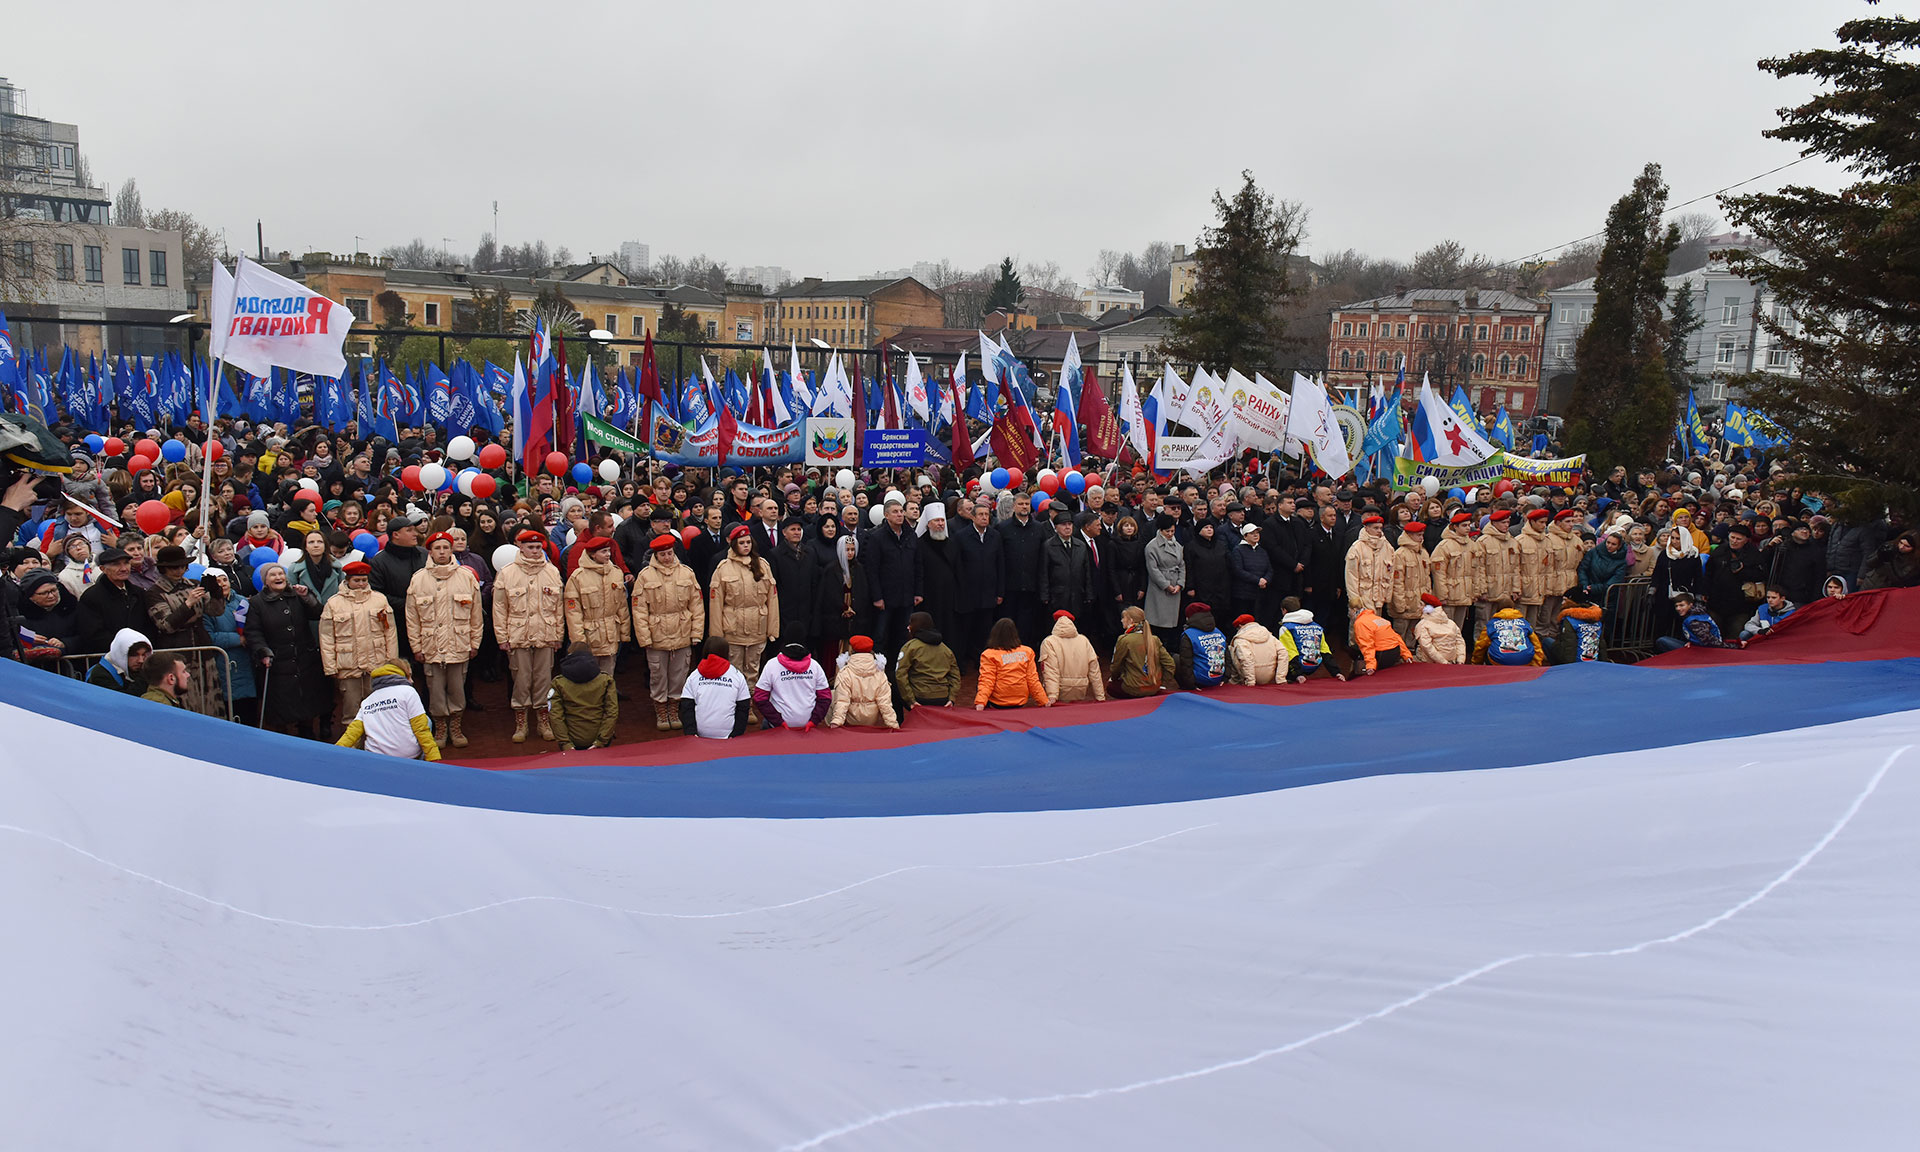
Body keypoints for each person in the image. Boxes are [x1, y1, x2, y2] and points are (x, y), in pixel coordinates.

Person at [405, 531, 484, 749]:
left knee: (458, 688)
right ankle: (440, 726)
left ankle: (456, 726)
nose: (442, 552)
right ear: (430, 551)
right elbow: (412, 618)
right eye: (437, 548)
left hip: (458, 643)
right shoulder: (419, 579)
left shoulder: (466, 577)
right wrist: (416, 646)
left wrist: (474, 643)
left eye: (446, 548)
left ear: (451, 550)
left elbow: (476, 615)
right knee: (436, 689)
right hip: (431, 646)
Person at [494, 528, 565, 744]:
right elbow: (499, 608)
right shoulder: (507, 573)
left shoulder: (551, 571)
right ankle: (521, 722)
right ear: (520, 547)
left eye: (538, 547)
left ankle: (543, 721)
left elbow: (558, 608)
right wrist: (502, 637)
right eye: (530, 547)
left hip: (546, 633)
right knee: (521, 679)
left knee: (544, 678)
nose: (535, 551)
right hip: (518, 634)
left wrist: (558, 635)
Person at [246, 562, 330, 739]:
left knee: (307, 698)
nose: (278, 577)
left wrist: (307, 597)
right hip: (277, 661)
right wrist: (263, 651)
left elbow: (317, 612)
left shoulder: (297, 595)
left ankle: (307, 732)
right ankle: (282, 736)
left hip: (304, 658)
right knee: (281, 703)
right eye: (273, 575)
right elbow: (253, 631)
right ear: (265, 581)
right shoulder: (256, 603)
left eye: (281, 574)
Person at [632, 532, 705, 731]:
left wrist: (696, 633)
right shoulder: (645, 576)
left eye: (670, 553)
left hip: (682, 631)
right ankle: (661, 709)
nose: (667, 557)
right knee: (658, 675)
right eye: (662, 554)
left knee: (679, 674)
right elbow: (639, 610)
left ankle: (674, 708)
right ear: (656, 555)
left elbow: (697, 606)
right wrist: (644, 638)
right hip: (657, 634)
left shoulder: (687, 573)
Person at [319, 560, 399, 733]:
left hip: (376, 662)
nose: (361, 584)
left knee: (377, 706)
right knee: (351, 708)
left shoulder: (379, 599)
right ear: (348, 580)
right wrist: (330, 666)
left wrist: (391, 660)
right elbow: (326, 637)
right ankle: (354, 743)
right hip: (348, 663)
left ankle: (376, 740)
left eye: (364, 580)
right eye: (357, 580)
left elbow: (390, 632)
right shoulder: (333, 603)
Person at [709, 523, 779, 686]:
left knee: (753, 669)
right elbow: (716, 604)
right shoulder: (723, 568)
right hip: (733, 629)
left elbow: (772, 600)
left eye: (748, 542)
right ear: (734, 544)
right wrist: (716, 634)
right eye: (741, 543)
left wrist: (772, 630)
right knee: (734, 670)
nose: (746, 546)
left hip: (757, 627)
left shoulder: (762, 565)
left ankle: (750, 699)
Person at [335, 661, 442, 761]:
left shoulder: (367, 701)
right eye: (409, 676)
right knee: (426, 720)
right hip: (407, 756)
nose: (412, 681)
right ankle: (418, 765)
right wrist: (434, 758)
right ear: (401, 675)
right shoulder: (408, 692)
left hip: (376, 757)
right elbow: (421, 728)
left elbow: (351, 733)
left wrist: (334, 752)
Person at [563, 535, 629, 677]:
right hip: (589, 637)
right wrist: (579, 642)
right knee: (588, 677)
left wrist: (624, 633)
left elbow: (622, 606)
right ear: (592, 554)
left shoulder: (616, 573)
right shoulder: (578, 577)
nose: (608, 554)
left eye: (608, 550)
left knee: (608, 676)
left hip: (611, 635)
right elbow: (573, 613)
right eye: (603, 551)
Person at [865, 499, 921, 661]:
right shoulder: (877, 537)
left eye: (901, 511)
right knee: (880, 635)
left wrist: (918, 591)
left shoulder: (911, 535)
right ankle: (879, 667)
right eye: (895, 512)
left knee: (904, 634)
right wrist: (877, 597)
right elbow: (872, 569)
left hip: (907, 595)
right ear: (886, 515)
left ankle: (900, 666)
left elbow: (918, 565)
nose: (899, 515)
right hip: (885, 597)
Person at [203, 568, 259, 725]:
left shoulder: (242, 601)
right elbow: (208, 636)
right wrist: (238, 639)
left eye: (224, 580)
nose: (222, 584)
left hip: (246, 661)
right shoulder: (207, 606)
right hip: (224, 662)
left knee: (250, 709)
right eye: (217, 581)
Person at [75, 546, 148, 655]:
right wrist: (125, 648)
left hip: (141, 654)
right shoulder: (91, 597)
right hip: (110, 655)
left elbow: (147, 625)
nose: (123, 568)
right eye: (116, 564)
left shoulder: (138, 593)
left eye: (126, 563)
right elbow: (93, 633)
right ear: (103, 569)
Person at [549, 641, 618, 751]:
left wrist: (565, 743)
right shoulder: (606, 681)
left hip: (571, 740)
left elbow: (555, 716)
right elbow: (612, 712)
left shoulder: (558, 683)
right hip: (599, 739)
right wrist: (601, 741)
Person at [680, 636, 752, 739]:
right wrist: (736, 735)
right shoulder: (737, 676)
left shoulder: (694, 676)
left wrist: (692, 735)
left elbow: (686, 707)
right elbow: (743, 707)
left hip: (699, 738)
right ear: (726, 652)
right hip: (728, 738)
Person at [754, 640, 833, 730]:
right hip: (807, 727)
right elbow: (825, 697)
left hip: (777, 726)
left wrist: (778, 721)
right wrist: (814, 720)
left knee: (765, 724)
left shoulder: (772, 664)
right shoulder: (815, 665)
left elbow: (759, 697)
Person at [974, 616, 1049, 710]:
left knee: (981, 685)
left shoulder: (989, 654)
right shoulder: (1027, 652)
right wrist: (1044, 701)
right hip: (1020, 702)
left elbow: (987, 680)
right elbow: (1032, 680)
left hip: (998, 702)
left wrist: (980, 702)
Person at [828, 635, 900, 729]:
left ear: (852, 650)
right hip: (872, 719)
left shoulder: (845, 673)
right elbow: (885, 703)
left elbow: (842, 701)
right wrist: (893, 725)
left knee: (832, 694)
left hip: (851, 719)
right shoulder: (880, 673)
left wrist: (836, 722)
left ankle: (838, 729)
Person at [1038, 608, 1106, 704]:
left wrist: (1052, 695)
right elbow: (1094, 671)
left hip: (1061, 689)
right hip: (1081, 688)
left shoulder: (1049, 642)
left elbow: (1051, 671)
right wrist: (1100, 696)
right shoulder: (1084, 640)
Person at [896, 611, 960, 711]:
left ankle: (899, 720)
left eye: (911, 624)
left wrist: (911, 700)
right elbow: (955, 675)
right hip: (943, 698)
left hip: (920, 697)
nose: (908, 627)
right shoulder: (946, 649)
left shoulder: (910, 647)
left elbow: (900, 674)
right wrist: (951, 698)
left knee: (893, 684)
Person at [1109, 606, 1175, 698]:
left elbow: (1116, 666)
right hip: (1154, 687)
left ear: (1131, 621)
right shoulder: (1154, 639)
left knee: (1110, 687)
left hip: (1133, 688)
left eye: (1123, 618)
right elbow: (1170, 664)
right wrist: (1162, 682)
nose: (1121, 620)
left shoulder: (1124, 640)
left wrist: (1113, 678)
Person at [1144, 512, 1186, 651]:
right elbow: (1153, 570)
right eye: (1167, 531)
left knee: (1173, 623)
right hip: (1160, 589)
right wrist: (1166, 585)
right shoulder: (1152, 546)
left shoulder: (1177, 545)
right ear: (1160, 530)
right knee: (1159, 622)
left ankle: (1171, 648)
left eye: (1172, 531)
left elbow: (1182, 565)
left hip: (1175, 585)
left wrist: (1180, 583)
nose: (1170, 534)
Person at [1428, 513, 1476, 633]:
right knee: (1445, 628)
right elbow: (1439, 573)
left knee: (1458, 629)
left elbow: (1476, 570)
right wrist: (1442, 595)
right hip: (1450, 594)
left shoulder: (1472, 545)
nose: (1468, 528)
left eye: (1469, 525)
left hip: (1465, 593)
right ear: (1455, 527)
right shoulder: (1444, 546)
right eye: (1464, 525)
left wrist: (1475, 591)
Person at [1277, 597, 1343, 683]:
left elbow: (1290, 652)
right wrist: (1337, 672)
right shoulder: (1317, 627)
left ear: (1284, 610)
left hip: (1298, 666)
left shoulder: (1286, 628)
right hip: (1315, 663)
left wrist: (1298, 674)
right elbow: (1325, 651)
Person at [1386, 521, 1431, 641]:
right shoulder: (1400, 554)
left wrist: (1428, 598)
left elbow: (1427, 578)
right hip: (1405, 603)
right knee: (1399, 634)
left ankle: (1410, 651)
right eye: (1418, 535)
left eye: (1422, 535)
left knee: (1413, 634)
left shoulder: (1423, 553)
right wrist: (1400, 605)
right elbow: (1397, 582)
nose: (1421, 538)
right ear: (1409, 535)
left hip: (1419, 603)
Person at [1656, 590, 1743, 652]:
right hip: (1698, 647)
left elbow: (1711, 641)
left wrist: (1732, 647)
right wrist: (1692, 642)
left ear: (1690, 605)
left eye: (1682, 605)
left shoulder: (1695, 621)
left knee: (1662, 641)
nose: (1678, 608)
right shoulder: (1697, 614)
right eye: (1676, 606)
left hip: (1703, 652)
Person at [1175, 602, 1231, 691]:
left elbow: (1186, 662)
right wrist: (1226, 677)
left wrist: (1191, 685)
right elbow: (1227, 656)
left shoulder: (1189, 635)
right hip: (1218, 678)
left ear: (1188, 618)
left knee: (1175, 658)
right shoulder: (1218, 632)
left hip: (1200, 680)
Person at [1473, 598, 1545, 666]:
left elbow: (1480, 646)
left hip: (1499, 662)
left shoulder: (1491, 624)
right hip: (1525, 661)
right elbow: (1537, 645)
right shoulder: (1525, 623)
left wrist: (1476, 664)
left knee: (1486, 646)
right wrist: (1535, 665)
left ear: (1498, 609)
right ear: (1513, 608)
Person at [86, 628, 151, 694]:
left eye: (144, 655)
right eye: (134, 655)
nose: (141, 660)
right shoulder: (100, 674)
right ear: (121, 653)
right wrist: (143, 679)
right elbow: (122, 698)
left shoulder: (144, 669)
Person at [1550, 587, 1605, 664]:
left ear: (1571, 601)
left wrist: (1569, 667)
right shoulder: (1596, 618)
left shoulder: (1570, 620)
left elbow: (1569, 646)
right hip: (1594, 661)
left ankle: (1556, 667)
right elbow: (1602, 645)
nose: (1562, 603)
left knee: (1547, 641)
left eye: (1565, 600)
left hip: (1576, 663)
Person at [1229, 613, 1286, 685]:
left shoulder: (1240, 640)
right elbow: (1283, 652)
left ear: (1240, 626)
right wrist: (1280, 678)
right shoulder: (1269, 636)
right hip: (1271, 677)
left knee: (1231, 648)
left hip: (1251, 680)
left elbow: (1246, 659)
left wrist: (1250, 681)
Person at [1412, 593, 1468, 664]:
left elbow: (1426, 647)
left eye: (1421, 604)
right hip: (1452, 661)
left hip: (1428, 663)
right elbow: (1460, 642)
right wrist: (1460, 660)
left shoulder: (1422, 625)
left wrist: (1443, 662)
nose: (1418, 606)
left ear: (1428, 608)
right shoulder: (1451, 623)